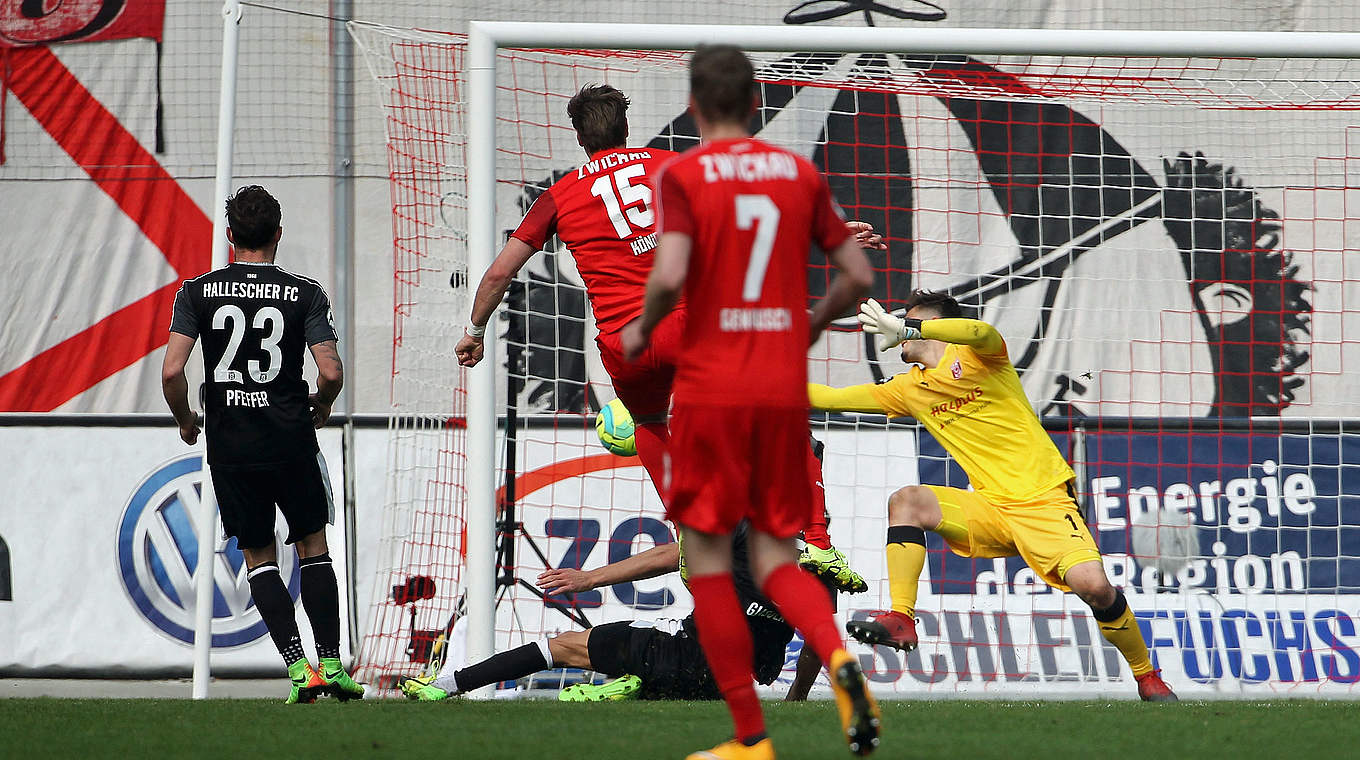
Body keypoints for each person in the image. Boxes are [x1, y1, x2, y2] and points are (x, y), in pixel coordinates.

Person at [453, 83, 877, 595]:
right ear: (626, 128)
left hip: (624, 344)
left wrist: (475, 331)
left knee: (652, 424)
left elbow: (499, 275)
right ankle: (815, 539)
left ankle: (688, 534)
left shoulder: (559, 196)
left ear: (580, 138)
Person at [619, 45, 879, 760]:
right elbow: (857, 271)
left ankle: (750, 738)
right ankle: (841, 662)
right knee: (773, 558)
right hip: (778, 387)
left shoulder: (686, 173)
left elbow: (670, 275)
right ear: (759, 105)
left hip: (711, 388)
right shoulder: (797, 172)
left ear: (697, 106)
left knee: (704, 559)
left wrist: (642, 326)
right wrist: (812, 323)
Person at [814, 289, 1178, 702]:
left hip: (1043, 502)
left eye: (908, 324)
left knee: (1093, 587)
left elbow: (979, 330)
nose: (898, 334)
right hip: (990, 507)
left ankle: (1147, 677)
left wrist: (910, 325)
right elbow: (828, 398)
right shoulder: (908, 389)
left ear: (929, 326)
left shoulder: (981, 357)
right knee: (907, 501)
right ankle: (901, 616)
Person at [161, 185, 362, 704]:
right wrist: (321, 403)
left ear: (230, 237)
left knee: (260, 557)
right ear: (278, 234)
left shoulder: (196, 292)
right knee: (313, 547)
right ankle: (334, 664)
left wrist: (187, 420)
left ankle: (299, 672)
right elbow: (332, 371)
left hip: (232, 445)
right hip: (290, 437)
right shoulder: (305, 292)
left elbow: (172, 371)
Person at [397, 522, 811, 703]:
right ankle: (636, 685)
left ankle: (448, 684)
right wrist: (797, 696)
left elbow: (669, 555)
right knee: (672, 666)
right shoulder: (821, 560)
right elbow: (818, 641)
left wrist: (586, 579)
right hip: (729, 684)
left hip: (684, 655)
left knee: (560, 647)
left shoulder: (743, 524)